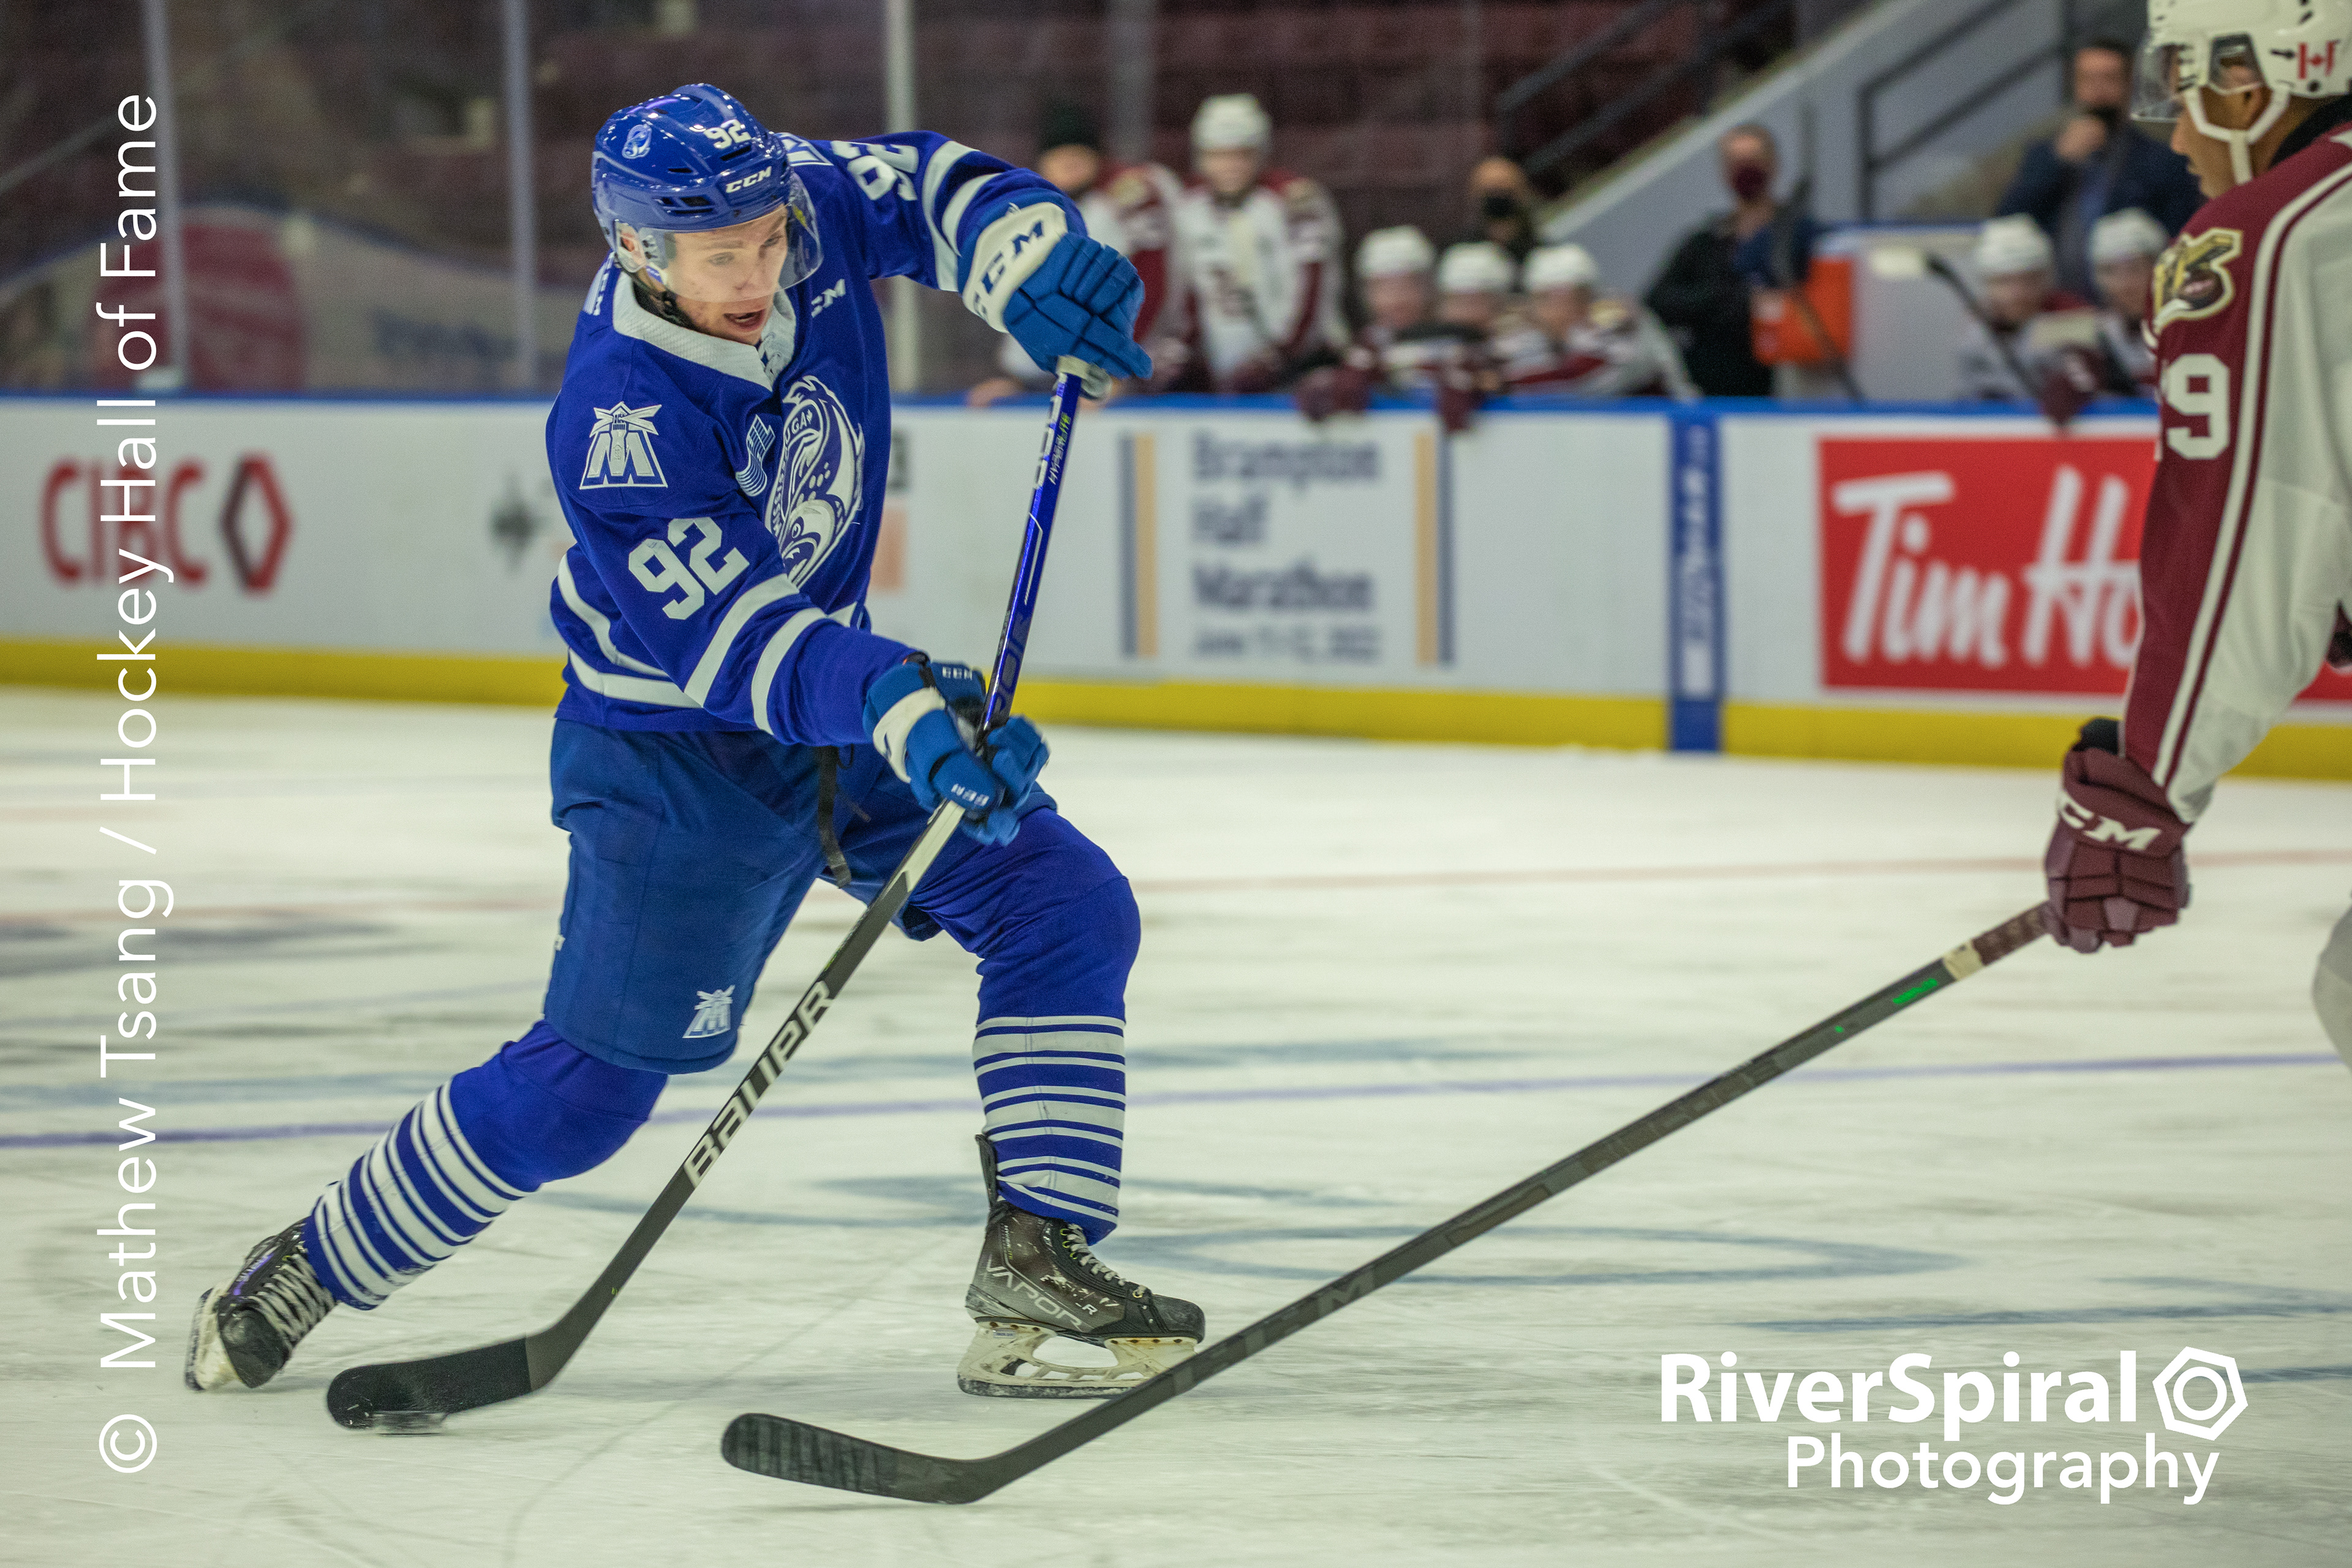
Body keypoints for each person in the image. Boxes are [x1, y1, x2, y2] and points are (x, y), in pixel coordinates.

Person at [184, 84, 1204, 1403]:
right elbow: (736, 644)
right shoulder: (620, 417)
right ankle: (317, 1261)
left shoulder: (788, 202)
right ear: (635, 250)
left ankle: (1039, 1248)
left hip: (837, 702)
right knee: (588, 1096)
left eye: (769, 240)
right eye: (722, 257)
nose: (758, 269)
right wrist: (904, 704)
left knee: (1063, 899)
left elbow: (933, 184)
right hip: (677, 762)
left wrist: (1030, 260)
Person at [2034, 0, 2352, 1077]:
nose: (2174, 135)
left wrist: (2143, 793)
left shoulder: (2276, 237)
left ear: (2252, 85)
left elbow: (2245, 547)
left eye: (2183, 93)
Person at [967, 102, 1185, 406]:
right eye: (1059, 153)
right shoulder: (1031, 216)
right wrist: (1016, 377)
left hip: (1145, 379)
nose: (1069, 161)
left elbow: (1153, 287)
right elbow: (1027, 302)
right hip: (1074, 380)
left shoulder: (1119, 204)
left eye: (1079, 152)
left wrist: (1119, 372)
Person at [1996, 39, 2205, 296]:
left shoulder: (2162, 160)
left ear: (2129, 85)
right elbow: (2009, 220)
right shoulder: (2045, 155)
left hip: (2134, 302)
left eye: (2109, 79)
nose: (2098, 91)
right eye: (2087, 80)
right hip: (2057, 303)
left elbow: (2179, 237)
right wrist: (2056, 161)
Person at [1170, 92, 1349, 391]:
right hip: (1224, 378)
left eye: (1241, 154)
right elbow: (1185, 292)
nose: (1229, 166)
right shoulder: (1189, 209)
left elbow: (1315, 294)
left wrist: (1279, 358)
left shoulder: (1297, 203)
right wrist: (1181, 354)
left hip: (1300, 372)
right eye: (1218, 155)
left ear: (1260, 154)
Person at [1645, 123, 1783, 397]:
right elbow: (1657, 302)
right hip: (1712, 389)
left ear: (1772, 165)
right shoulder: (1705, 242)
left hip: (1780, 387)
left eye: (1753, 160)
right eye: (1735, 162)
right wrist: (1720, 299)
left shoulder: (1795, 234)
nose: (1745, 170)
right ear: (1724, 171)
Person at [1496, 243, 1692, 398]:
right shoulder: (1541, 329)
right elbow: (1509, 359)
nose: (1552, 310)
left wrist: (1501, 384)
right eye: (1543, 299)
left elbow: (1584, 381)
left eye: (1566, 297)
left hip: (1671, 424)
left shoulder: (1616, 313)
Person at [1953, 216, 2100, 403]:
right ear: (1987, 284)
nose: (2017, 294)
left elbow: (2086, 379)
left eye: (2028, 280)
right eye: (2004, 282)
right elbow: (1966, 398)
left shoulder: (2070, 315)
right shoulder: (1977, 326)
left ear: (2046, 280)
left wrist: (2076, 385)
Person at [2087, 206, 2167, 391]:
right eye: (2109, 271)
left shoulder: (2191, 328)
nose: (2125, 285)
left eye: (2135, 268)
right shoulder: (2092, 336)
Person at [1463, 155, 1540, 261]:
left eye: (1504, 190)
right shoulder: (1461, 255)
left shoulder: (1540, 254)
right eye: (1490, 192)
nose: (1497, 198)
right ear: (1474, 196)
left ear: (1522, 195)